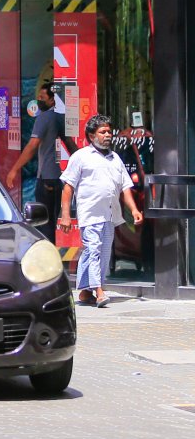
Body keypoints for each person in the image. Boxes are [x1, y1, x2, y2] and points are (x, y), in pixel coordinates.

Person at [59, 115, 143, 308]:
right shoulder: (80, 157)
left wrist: (134, 209)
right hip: (89, 215)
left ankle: (85, 291)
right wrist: (65, 215)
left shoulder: (115, 159)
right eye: (102, 132)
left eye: (109, 131)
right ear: (91, 135)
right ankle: (99, 291)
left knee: (102, 253)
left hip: (110, 215)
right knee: (93, 249)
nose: (108, 135)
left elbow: (125, 187)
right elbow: (68, 187)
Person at [6, 82, 77, 240]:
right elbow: (71, 145)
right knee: (51, 220)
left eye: (42, 97)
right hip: (56, 178)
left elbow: (32, 146)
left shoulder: (43, 118)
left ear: (52, 101)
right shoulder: (59, 118)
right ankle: (51, 252)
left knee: (44, 223)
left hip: (45, 177)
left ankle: (47, 257)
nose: (38, 100)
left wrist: (14, 169)